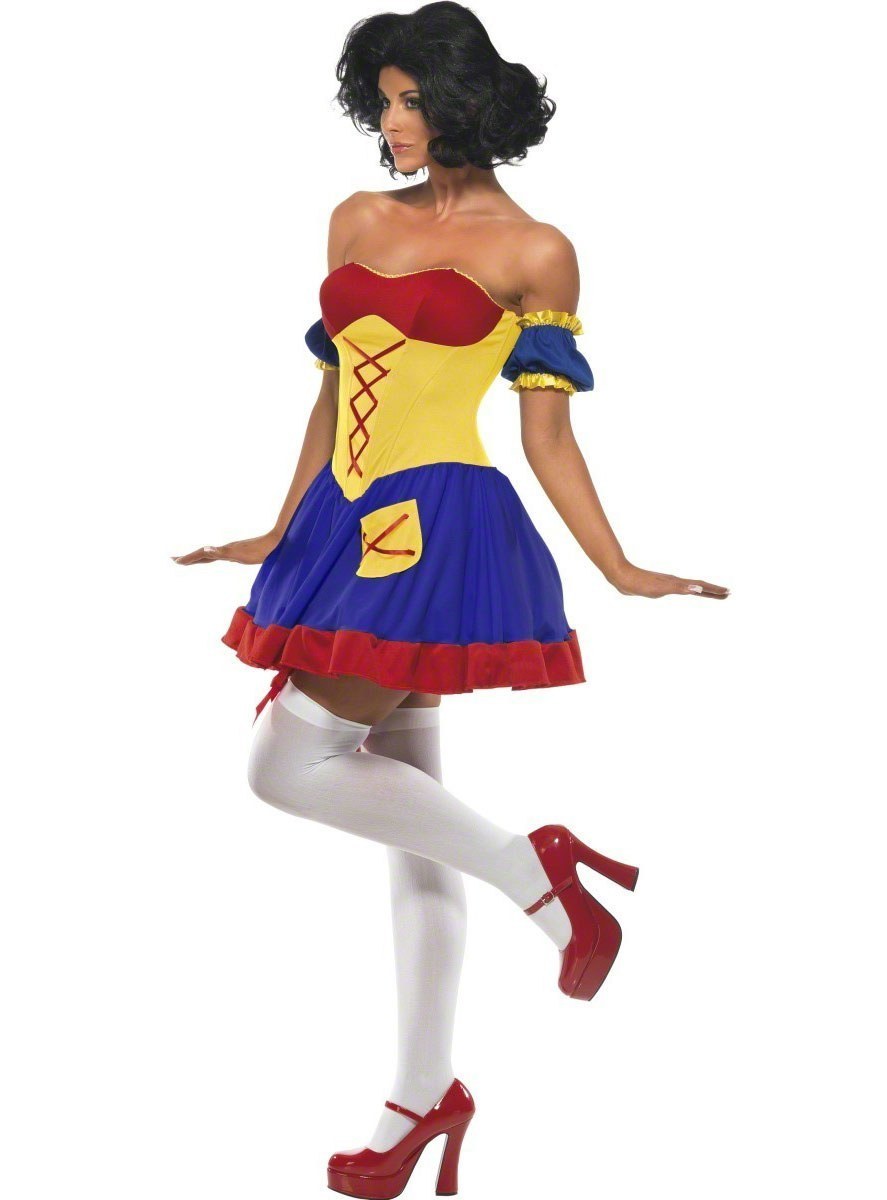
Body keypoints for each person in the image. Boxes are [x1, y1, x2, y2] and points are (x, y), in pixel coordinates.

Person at [173, 4, 728, 1195]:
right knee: (407, 824)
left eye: (411, 100)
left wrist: (620, 566)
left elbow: (547, 436)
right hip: (342, 523)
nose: (391, 122)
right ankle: (422, 1099)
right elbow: (333, 397)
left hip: (435, 525)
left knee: (285, 765)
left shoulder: (538, 251)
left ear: (464, 100)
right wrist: (277, 524)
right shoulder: (355, 217)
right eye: (382, 101)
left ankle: (538, 873)